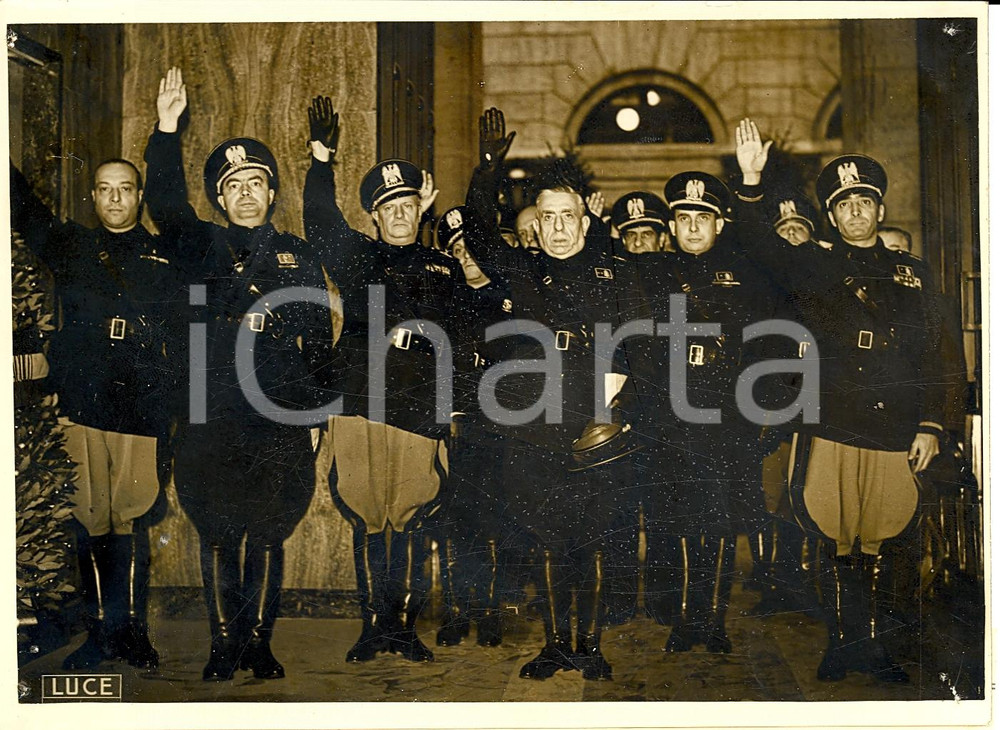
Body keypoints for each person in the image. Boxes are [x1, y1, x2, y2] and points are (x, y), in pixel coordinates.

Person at [732, 117, 948, 682]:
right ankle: (843, 643)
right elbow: (756, 245)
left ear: (880, 210)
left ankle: (877, 647)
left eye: (865, 201)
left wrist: (931, 423)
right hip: (833, 419)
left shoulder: (915, 275)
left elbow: (940, 355)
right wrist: (751, 182)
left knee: (885, 531)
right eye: (844, 204)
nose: (855, 211)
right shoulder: (817, 265)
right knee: (833, 531)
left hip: (896, 425)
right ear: (830, 216)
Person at [144, 68, 337, 681]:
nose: (247, 194)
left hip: (278, 413)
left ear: (271, 192)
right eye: (234, 186)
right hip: (213, 410)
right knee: (218, 528)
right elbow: (165, 202)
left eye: (257, 182)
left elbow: (316, 338)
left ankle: (259, 642)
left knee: (270, 528)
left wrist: (315, 410)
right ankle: (223, 644)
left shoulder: (297, 253)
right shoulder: (198, 244)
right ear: (219, 199)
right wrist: (166, 129)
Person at [462, 107, 638, 681]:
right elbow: (479, 230)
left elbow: (640, 351)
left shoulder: (616, 274)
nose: (559, 228)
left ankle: (589, 646)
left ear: (585, 221)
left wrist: (619, 410)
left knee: (590, 537)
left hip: (595, 429)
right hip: (534, 426)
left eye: (568, 216)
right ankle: (557, 643)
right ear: (535, 223)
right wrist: (488, 170)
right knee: (547, 537)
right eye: (548, 218)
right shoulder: (522, 268)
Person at [10, 156, 180, 671]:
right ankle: (99, 634)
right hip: (83, 397)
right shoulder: (71, 245)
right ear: (93, 196)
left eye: (124, 189)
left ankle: (131, 633)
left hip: (138, 401)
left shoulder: (162, 255)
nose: (113, 199)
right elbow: (24, 207)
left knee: (129, 514)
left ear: (139, 195)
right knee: (91, 515)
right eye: (104, 189)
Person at [303, 95, 455, 664]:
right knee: (368, 511)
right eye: (388, 205)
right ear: (373, 214)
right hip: (360, 403)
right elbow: (318, 223)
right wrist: (321, 159)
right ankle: (373, 626)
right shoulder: (357, 258)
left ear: (423, 208)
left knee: (411, 513)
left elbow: (463, 340)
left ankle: (403, 628)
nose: (399, 213)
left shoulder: (443, 267)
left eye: (409, 203)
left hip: (418, 409)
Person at [633, 171, 775, 654]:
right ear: (671, 226)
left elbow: (768, 343)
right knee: (673, 519)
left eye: (704, 218)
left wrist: (760, 408)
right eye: (684, 218)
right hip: (666, 416)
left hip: (724, 417)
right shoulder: (649, 273)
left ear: (720, 223)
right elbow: (634, 342)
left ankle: (711, 620)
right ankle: (681, 620)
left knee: (716, 520)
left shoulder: (745, 273)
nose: (693, 227)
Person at [431, 205, 515, 648]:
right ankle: (457, 610)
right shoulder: (444, 299)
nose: (465, 256)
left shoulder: (510, 296)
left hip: (502, 426)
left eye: (471, 246)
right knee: (455, 522)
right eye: (455, 249)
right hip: (456, 426)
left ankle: (492, 612)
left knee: (495, 520)